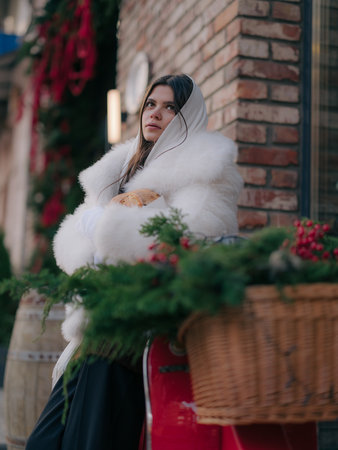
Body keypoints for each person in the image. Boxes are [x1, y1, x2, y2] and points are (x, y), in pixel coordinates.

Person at [26, 73, 243, 449]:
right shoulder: (121, 171)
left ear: (188, 116)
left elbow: (182, 242)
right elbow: (75, 239)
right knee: (44, 438)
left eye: (170, 107)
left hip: (148, 326)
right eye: (150, 104)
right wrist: (99, 235)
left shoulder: (207, 176)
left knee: (87, 435)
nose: (155, 114)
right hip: (98, 322)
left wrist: (109, 228)